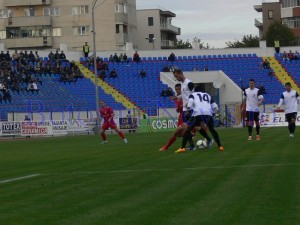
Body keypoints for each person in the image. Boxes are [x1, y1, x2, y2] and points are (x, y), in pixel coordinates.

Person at [172, 69, 213, 151]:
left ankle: (194, 145)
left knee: (188, 128)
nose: (176, 78)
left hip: (190, 109)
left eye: (176, 76)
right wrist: (177, 97)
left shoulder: (189, 83)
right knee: (195, 127)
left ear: (181, 74)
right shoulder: (183, 84)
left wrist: (191, 105)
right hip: (185, 109)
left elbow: (195, 95)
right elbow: (184, 95)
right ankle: (205, 141)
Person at [175, 85, 224, 153]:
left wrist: (187, 107)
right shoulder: (207, 95)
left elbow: (189, 105)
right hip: (208, 113)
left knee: (187, 130)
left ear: (195, 90)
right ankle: (220, 146)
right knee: (212, 130)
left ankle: (182, 148)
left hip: (198, 114)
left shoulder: (193, 95)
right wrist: (214, 113)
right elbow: (215, 107)